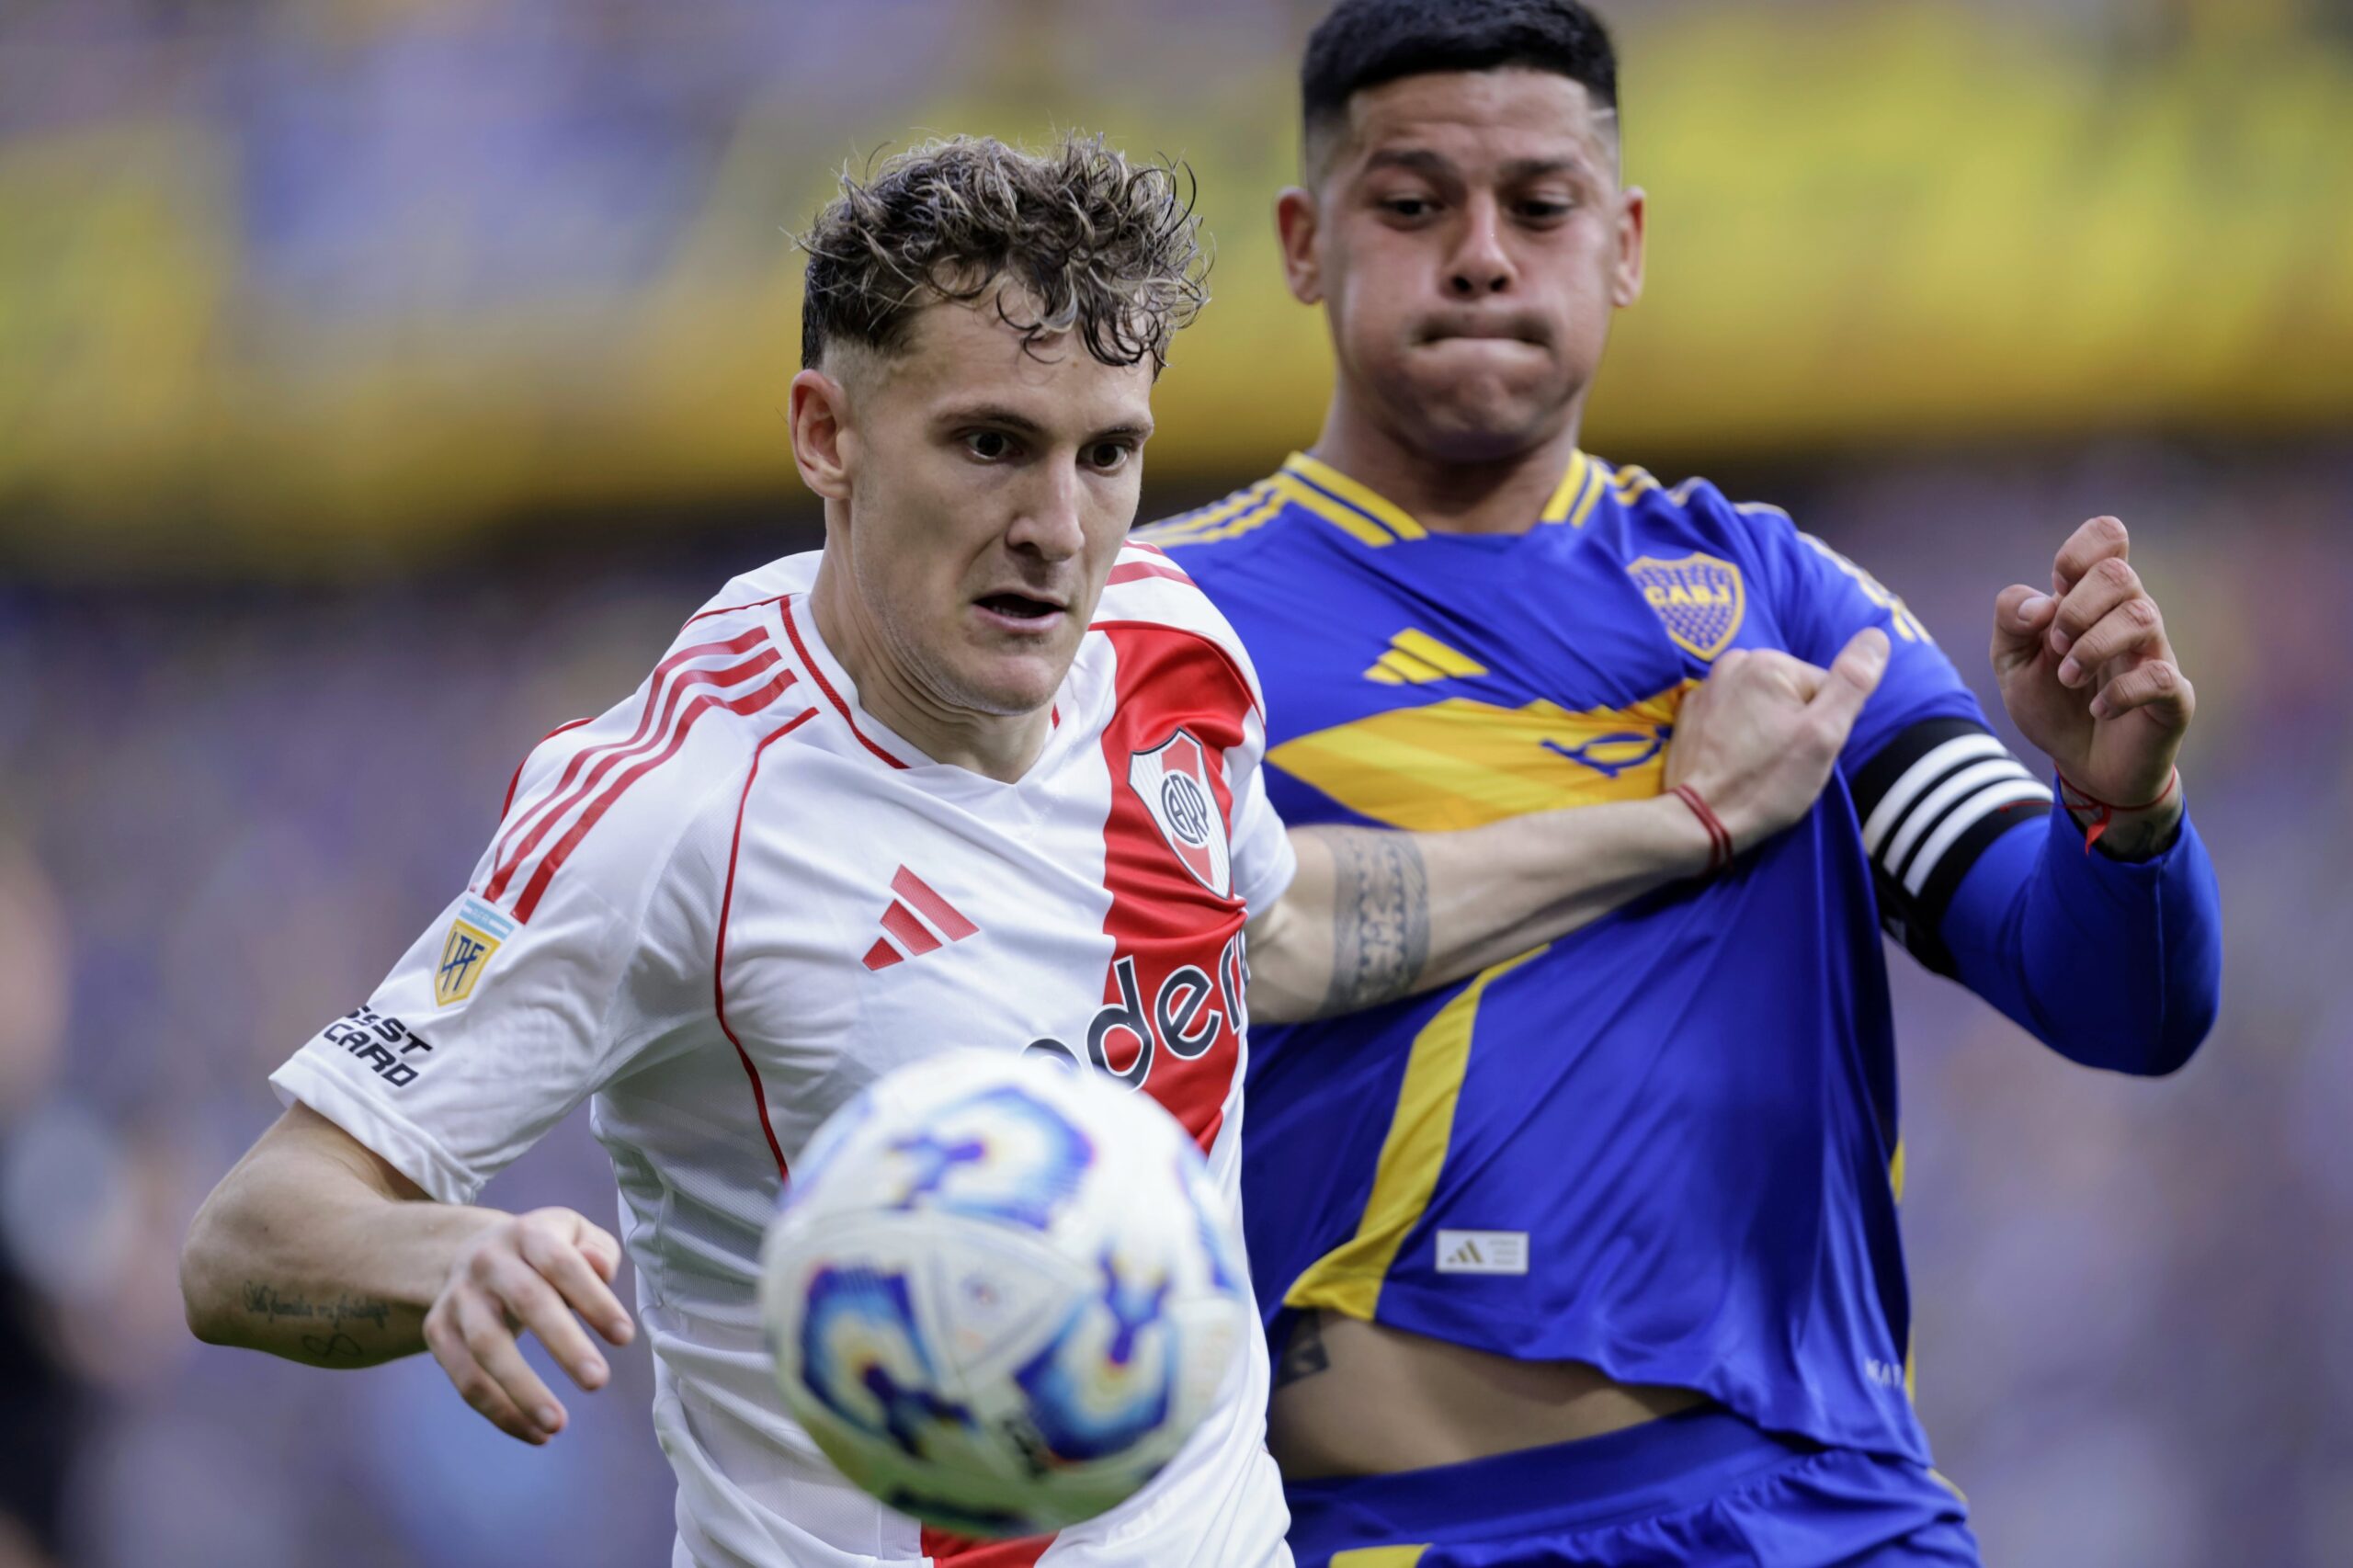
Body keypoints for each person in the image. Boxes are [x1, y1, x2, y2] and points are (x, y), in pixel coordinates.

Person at [178, 133, 1875, 1568]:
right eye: (990, 442)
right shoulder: (672, 807)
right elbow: (250, 1236)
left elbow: (1271, 933)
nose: (1058, 529)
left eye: (1106, 454)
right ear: (827, 435)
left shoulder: (1173, 655)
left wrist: (1675, 829)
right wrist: (450, 1255)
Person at [1145, 4, 2225, 1564]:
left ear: (1626, 243)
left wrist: (2124, 806)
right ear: (1307, 242)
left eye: (1540, 205)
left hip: (1829, 1520)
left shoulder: (1791, 603)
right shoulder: (1166, 627)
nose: (1481, 256)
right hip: (1403, 1527)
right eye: (1413, 202)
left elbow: (2121, 1004)